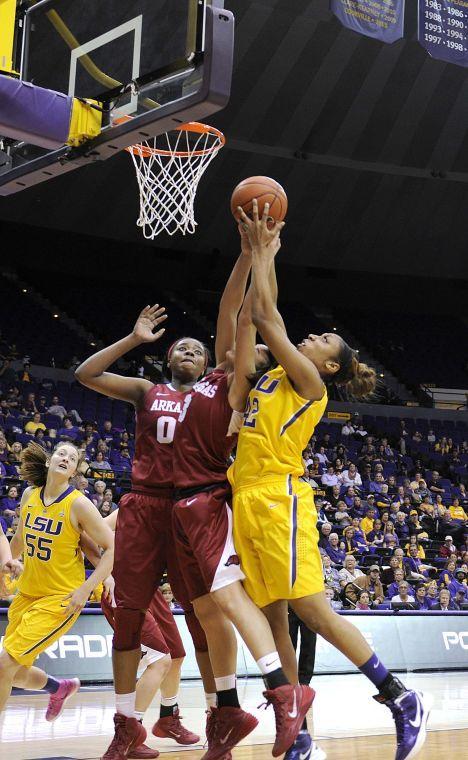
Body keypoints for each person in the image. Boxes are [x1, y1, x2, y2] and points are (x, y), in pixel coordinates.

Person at [229, 201, 431, 760]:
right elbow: (252, 316)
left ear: (330, 366)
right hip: (245, 498)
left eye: (319, 339)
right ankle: (300, 735)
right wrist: (254, 253)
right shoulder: (271, 378)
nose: (311, 337)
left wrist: (266, 250)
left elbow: (268, 318)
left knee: (311, 608)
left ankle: (399, 695)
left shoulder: (309, 387)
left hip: (279, 496)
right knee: (273, 618)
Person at [169, 229, 316, 760]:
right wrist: (242, 255)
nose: (239, 345)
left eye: (250, 348)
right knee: (207, 616)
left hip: (214, 499)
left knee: (239, 606)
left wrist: (263, 255)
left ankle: (286, 699)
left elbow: (251, 314)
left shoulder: (238, 387)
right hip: (180, 505)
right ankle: (223, 718)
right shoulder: (210, 375)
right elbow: (231, 309)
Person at [76, 306, 218, 760]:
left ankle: (218, 719)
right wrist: (135, 338)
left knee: (202, 621)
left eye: (198, 349)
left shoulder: (217, 400)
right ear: (168, 359)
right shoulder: (147, 391)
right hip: (144, 505)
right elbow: (85, 373)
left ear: (209, 366)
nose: (190, 351)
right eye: (182, 347)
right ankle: (126, 727)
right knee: (131, 620)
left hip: (192, 509)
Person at [0, 441, 114, 717]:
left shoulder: (80, 504)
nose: (66, 458)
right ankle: (58, 687)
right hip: (27, 593)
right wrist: (6, 565)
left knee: (3, 666)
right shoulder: (29, 494)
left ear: (74, 470)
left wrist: (86, 589)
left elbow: (112, 548)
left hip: (59, 600)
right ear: (50, 461)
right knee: (15, 672)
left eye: (72, 458)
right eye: (61, 453)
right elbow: (19, 538)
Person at [81, 510, 200, 755]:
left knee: (176, 655)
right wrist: (106, 572)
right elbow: (84, 534)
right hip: (122, 586)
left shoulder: (174, 506)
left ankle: (168, 717)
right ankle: (131, 732)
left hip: (149, 586)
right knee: (160, 661)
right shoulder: (132, 506)